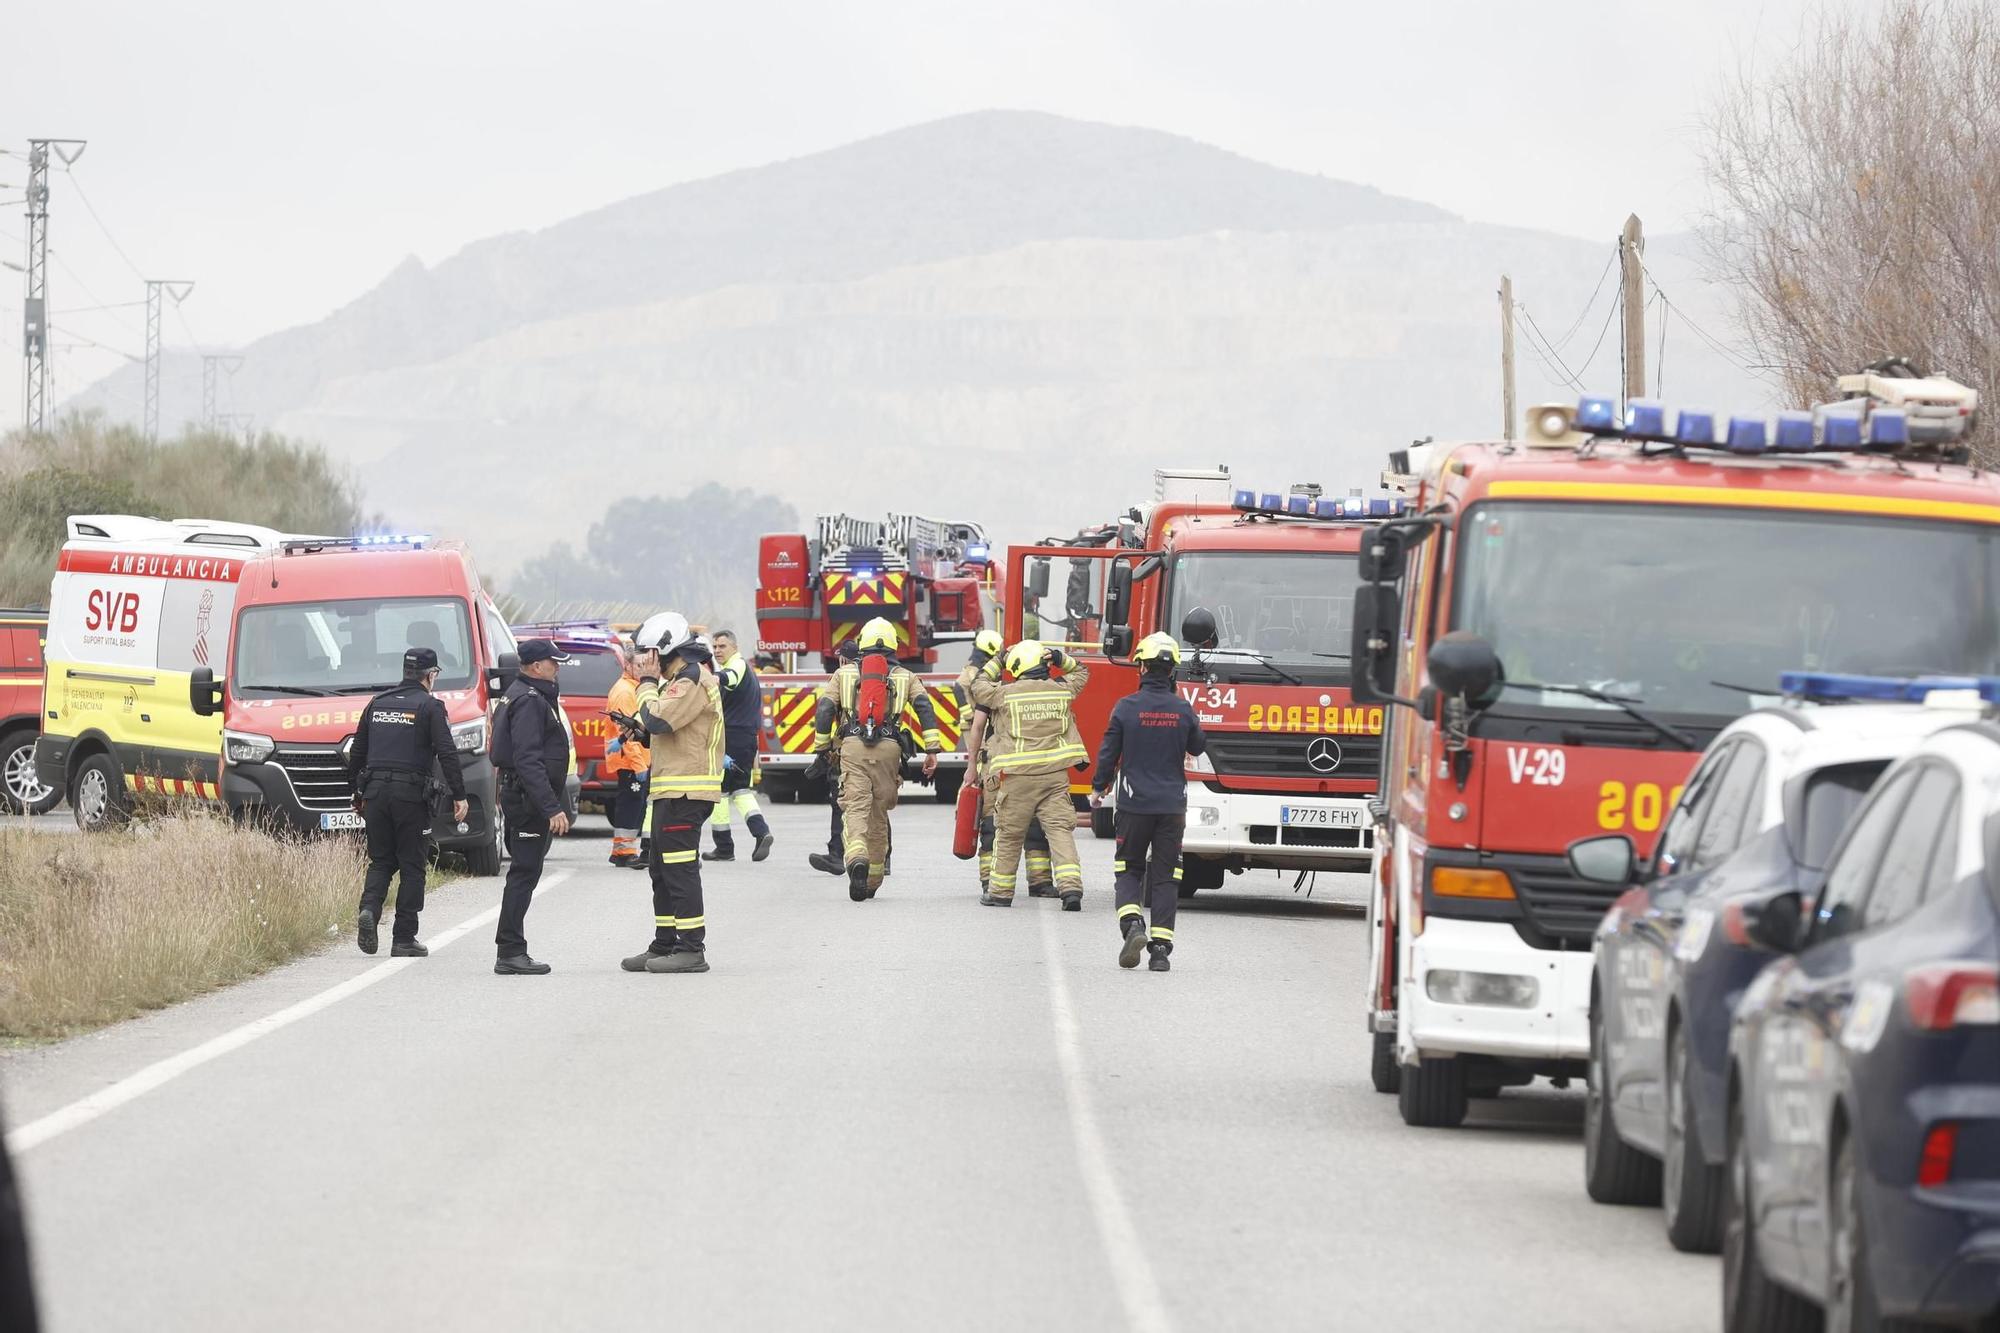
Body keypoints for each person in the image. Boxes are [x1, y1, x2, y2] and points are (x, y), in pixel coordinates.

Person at [1091, 631, 1207, 971]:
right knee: (1167, 876)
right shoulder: (1182, 709)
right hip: (1172, 806)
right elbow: (1199, 746)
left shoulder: (1126, 708)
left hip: (1133, 804)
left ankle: (1132, 925)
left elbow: (1108, 752)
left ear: (1141, 668)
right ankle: (1160, 952)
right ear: (1172, 671)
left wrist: (1099, 789)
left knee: (1129, 868)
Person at [345, 646, 467, 957]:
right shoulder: (430, 707)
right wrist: (459, 794)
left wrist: (355, 792)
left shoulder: (377, 703)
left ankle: (369, 910)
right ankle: (403, 937)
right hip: (410, 797)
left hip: (374, 794)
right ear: (431, 675)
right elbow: (447, 753)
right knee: (413, 865)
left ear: (404, 671)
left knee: (382, 861)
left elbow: (357, 752)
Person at [812, 616, 941, 901]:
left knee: (855, 807)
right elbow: (924, 707)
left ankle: (856, 853)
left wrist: (821, 748)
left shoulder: (843, 675)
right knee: (879, 813)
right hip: (890, 749)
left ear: (863, 643)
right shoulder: (907, 677)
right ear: (894, 645)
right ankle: (872, 880)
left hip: (853, 746)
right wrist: (932, 749)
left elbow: (824, 710)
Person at [624, 611, 724, 974]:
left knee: (680, 872)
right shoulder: (679, 680)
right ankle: (664, 943)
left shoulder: (692, 679)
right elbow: (663, 727)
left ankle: (691, 949)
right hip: (671, 789)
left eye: (650, 656)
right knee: (661, 871)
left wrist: (646, 684)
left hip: (688, 791)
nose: (647, 663)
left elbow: (658, 718)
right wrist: (640, 731)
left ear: (664, 652)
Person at [969, 639, 1089, 908]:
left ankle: (999, 893)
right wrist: (1060, 658)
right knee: (1060, 832)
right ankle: (1071, 890)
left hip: (1018, 777)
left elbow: (978, 686)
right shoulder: (1061, 690)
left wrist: (998, 660)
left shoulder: (1005, 693)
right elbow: (1081, 672)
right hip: (1055, 777)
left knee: (1009, 835)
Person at [491, 639, 573, 975]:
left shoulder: (526, 693)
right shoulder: (528, 699)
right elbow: (527, 759)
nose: (558, 668)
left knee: (525, 872)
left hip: (523, 797)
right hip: (527, 800)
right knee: (523, 873)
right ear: (536, 666)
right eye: (554, 662)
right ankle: (510, 951)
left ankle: (510, 948)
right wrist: (551, 807)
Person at [957, 630, 1058, 899]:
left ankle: (990, 882)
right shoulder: (1034, 690)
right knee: (1035, 823)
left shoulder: (993, 692)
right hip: (1029, 765)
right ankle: (1041, 882)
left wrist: (971, 767)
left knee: (992, 823)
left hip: (996, 765)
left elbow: (977, 727)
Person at [703, 628, 775, 862]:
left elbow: (731, 677)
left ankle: (724, 847)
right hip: (745, 738)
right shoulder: (746, 669)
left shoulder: (738, 665)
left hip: (732, 737)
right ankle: (761, 831)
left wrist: (717, 678)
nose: (717, 651)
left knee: (720, 792)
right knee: (741, 789)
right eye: (715, 647)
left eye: (722, 646)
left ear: (734, 647)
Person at [603, 640, 651, 868]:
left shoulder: (634, 687)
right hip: (631, 759)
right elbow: (629, 732)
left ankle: (626, 849)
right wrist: (639, 765)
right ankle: (623, 852)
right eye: (639, 666)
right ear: (628, 666)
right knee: (631, 805)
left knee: (636, 805)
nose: (643, 670)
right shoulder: (625, 691)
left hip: (637, 757)